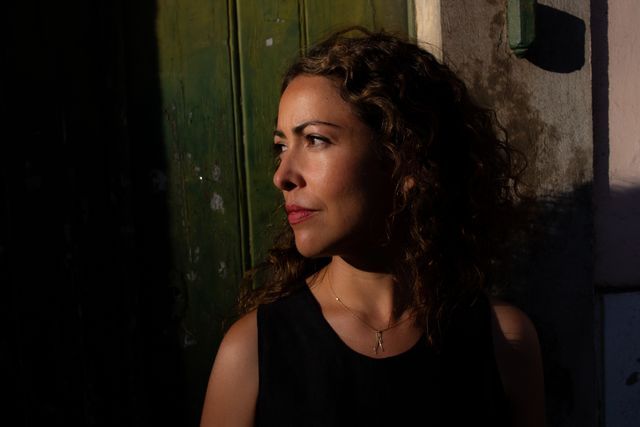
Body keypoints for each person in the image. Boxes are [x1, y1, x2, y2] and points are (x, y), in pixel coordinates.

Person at [200, 28, 545, 427]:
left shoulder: (503, 341)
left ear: (405, 158)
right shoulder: (252, 352)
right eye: (281, 146)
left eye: (314, 140)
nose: (283, 175)